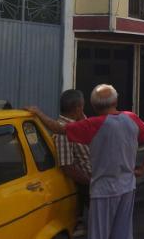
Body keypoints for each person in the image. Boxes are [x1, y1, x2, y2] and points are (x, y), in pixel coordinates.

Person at [27, 84, 144, 239]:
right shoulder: (130, 117)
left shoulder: (93, 125)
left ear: (93, 106)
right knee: (122, 233)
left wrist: (38, 113)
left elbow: (58, 128)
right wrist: (143, 169)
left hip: (104, 190)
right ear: (116, 101)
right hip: (128, 186)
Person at [55, 89, 92, 232]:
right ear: (77, 108)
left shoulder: (77, 124)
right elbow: (67, 167)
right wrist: (91, 182)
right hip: (87, 183)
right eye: (82, 106)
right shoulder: (63, 131)